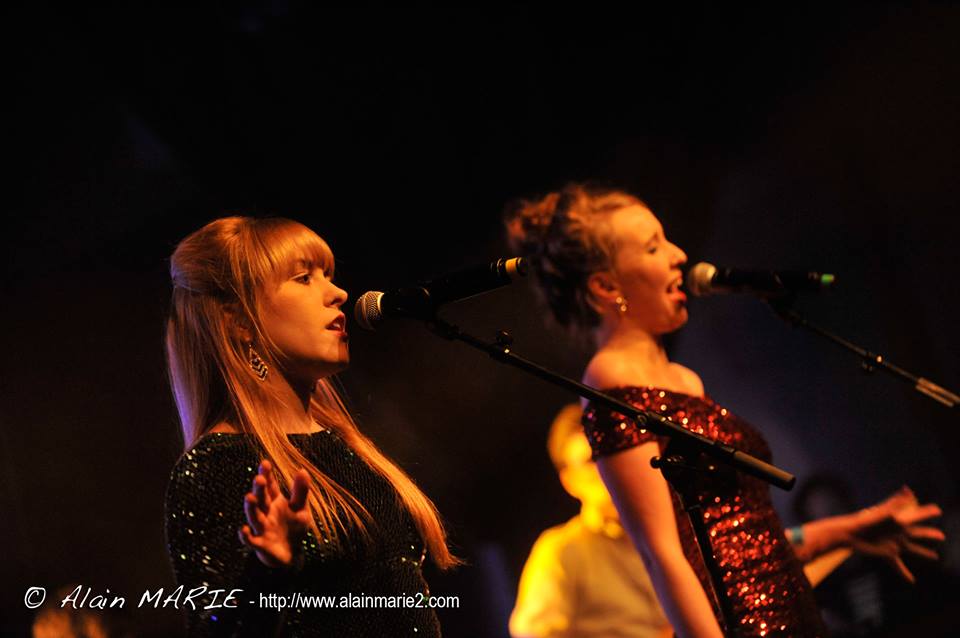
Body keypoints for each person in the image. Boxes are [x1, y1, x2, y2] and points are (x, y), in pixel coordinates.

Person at [506, 183, 944, 637]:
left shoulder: (683, 380)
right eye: (653, 247)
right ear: (605, 285)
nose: (679, 255)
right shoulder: (611, 378)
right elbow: (664, 555)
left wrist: (852, 529)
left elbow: (744, 545)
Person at [164, 216, 458, 637]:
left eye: (329, 276)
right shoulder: (218, 466)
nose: (339, 294)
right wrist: (268, 572)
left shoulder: (347, 448)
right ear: (239, 322)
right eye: (304, 278)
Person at [510, 404, 672, 638]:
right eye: (590, 461)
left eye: (610, 453)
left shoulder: (674, 529)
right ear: (570, 482)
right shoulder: (561, 550)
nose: (606, 468)